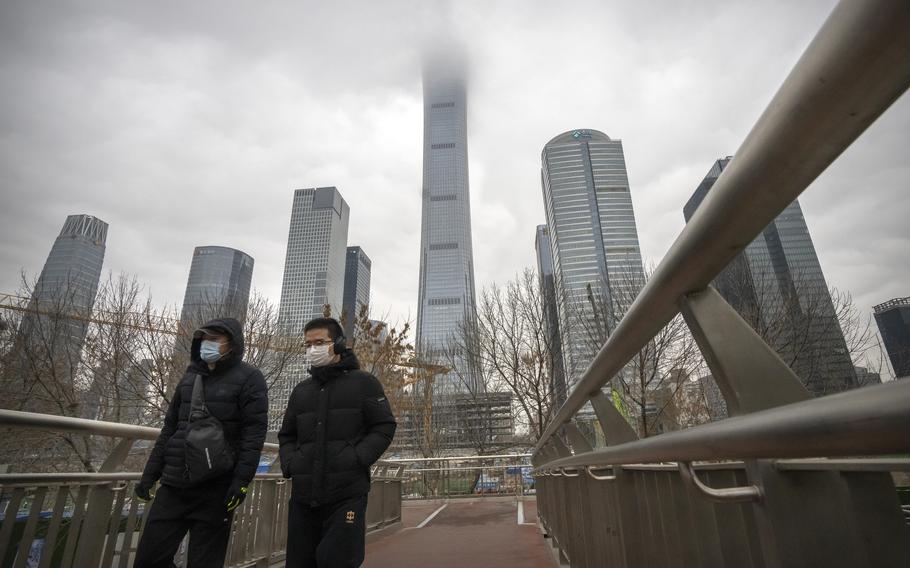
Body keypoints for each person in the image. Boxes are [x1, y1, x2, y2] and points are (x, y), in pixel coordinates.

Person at [133, 317, 268, 567]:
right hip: (173, 486)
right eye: (204, 339)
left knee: (204, 562)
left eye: (215, 340)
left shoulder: (251, 378)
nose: (207, 344)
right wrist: (149, 476)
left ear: (233, 344)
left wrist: (240, 484)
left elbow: (254, 435)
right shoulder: (190, 377)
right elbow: (170, 429)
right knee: (149, 559)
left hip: (216, 488)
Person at [279, 317, 397, 567]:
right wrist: (291, 463)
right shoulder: (301, 391)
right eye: (308, 344)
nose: (313, 349)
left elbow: (384, 426)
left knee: (338, 561)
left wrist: (357, 458)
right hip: (303, 496)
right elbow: (287, 435)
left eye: (320, 342)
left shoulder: (365, 383)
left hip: (347, 494)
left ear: (340, 344)